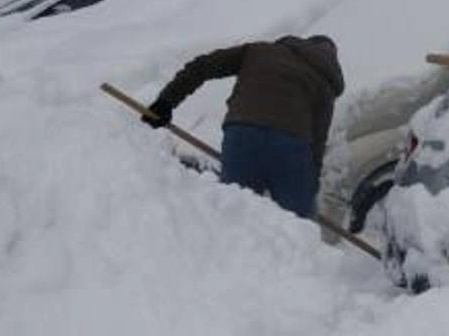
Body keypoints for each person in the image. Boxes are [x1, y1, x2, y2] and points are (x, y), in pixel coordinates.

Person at [143, 34, 345, 220]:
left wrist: (166, 102)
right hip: (291, 147)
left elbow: (203, 66)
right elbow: (318, 142)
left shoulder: (259, 51)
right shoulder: (324, 84)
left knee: (234, 216)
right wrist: (309, 188)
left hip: (242, 134)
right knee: (297, 229)